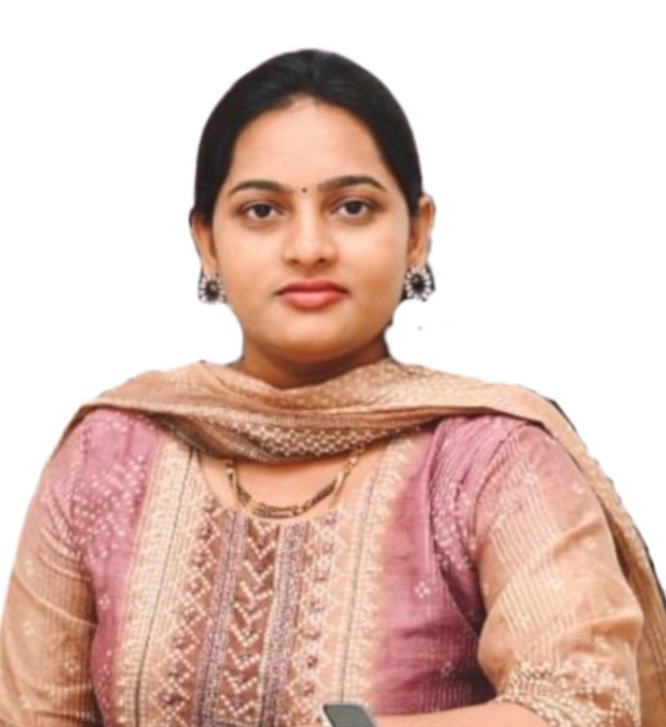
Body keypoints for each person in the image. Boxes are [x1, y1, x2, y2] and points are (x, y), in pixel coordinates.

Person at [0, 49, 664, 727]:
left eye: (352, 207)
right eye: (262, 210)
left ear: (417, 234)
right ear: (207, 242)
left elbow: (585, 706)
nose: (309, 246)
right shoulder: (107, 457)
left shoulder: (491, 460)